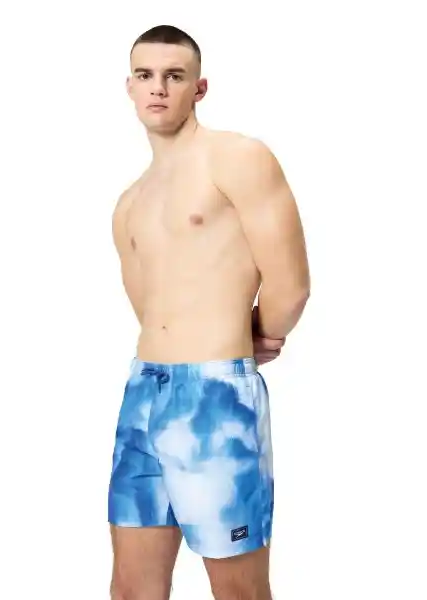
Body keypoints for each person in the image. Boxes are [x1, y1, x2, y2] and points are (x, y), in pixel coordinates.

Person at [107, 24, 310, 600]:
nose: (158, 87)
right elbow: (148, 306)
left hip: (215, 396)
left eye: (174, 75)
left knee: (238, 590)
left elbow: (291, 283)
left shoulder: (236, 158)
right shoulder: (129, 202)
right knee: (130, 588)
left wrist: (253, 335)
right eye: (145, 75)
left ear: (199, 87)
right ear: (129, 86)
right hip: (143, 392)